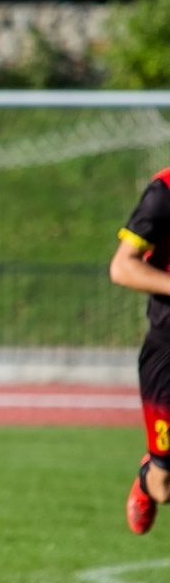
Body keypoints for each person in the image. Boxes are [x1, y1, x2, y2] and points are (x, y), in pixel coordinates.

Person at [112, 163, 170, 533]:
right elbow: (122, 268)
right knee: (165, 487)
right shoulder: (164, 192)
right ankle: (152, 471)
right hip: (168, 351)